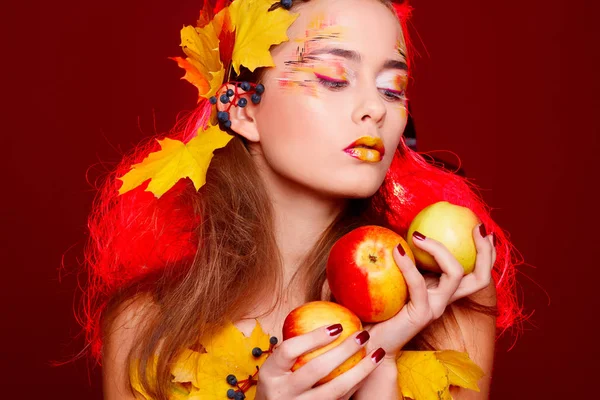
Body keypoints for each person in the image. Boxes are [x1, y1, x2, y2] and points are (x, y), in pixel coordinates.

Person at [80, 0, 523, 398]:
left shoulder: (449, 313)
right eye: (332, 79)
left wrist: (376, 371)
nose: (376, 108)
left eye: (392, 88)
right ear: (242, 108)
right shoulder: (145, 330)